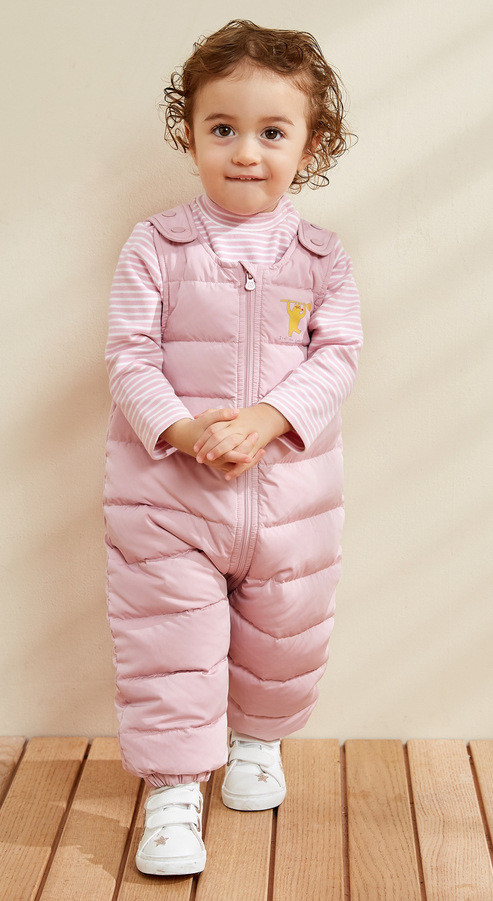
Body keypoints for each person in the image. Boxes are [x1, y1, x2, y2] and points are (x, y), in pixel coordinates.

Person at [103, 18, 363, 877]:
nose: (246, 152)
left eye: (272, 132)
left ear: (310, 144)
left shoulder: (322, 260)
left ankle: (256, 740)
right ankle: (174, 790)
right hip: (168, 498)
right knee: (168, 646)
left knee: (284, 633)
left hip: (288, 499)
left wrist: (268, 417)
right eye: (223, 128)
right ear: (191, 135)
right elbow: (129, 357)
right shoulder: (156, 246)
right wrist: (185, 431)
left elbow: (338, 355)